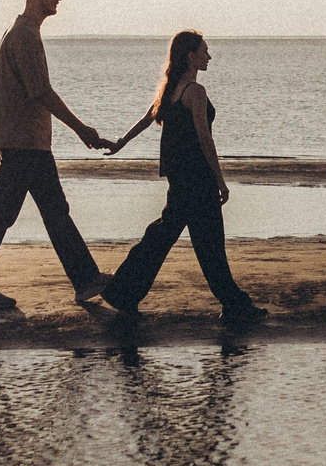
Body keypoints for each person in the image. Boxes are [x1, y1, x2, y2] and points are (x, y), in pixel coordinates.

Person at [0, 0, 113, 312]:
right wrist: (81, 128)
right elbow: (40, 91)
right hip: (24, 143)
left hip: (28, 141)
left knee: (53, 211)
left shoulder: (22, 32)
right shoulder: (25, 35)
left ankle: (85, 279)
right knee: (4, 214)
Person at [98, 31, 265, 322]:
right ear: (191, 56)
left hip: (179, 177)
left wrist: (120, 143)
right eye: (205, 51)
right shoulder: (194, 92)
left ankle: (123, 291)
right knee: (208, 243)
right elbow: (205, 138)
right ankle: (233, 305)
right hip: (198, 179)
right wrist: (221, 180)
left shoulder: (172, 88)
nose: (209, 57)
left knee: (165, 235)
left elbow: (147, 119)